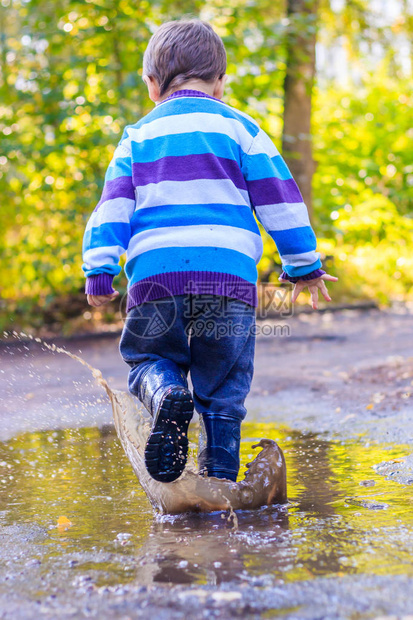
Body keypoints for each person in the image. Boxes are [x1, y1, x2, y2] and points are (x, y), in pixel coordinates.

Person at [82, 19, 337, 484]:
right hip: (229, 282)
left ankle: (164, 394)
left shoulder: (137, 136)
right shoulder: (242, 129)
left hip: (157, 281)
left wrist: (100, 270)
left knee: (147, 360)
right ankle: (219, 485)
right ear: (220, 83)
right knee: (223, 390)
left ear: (153, 84)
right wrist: (303, 266)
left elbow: (112, 205)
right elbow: (280, 198)